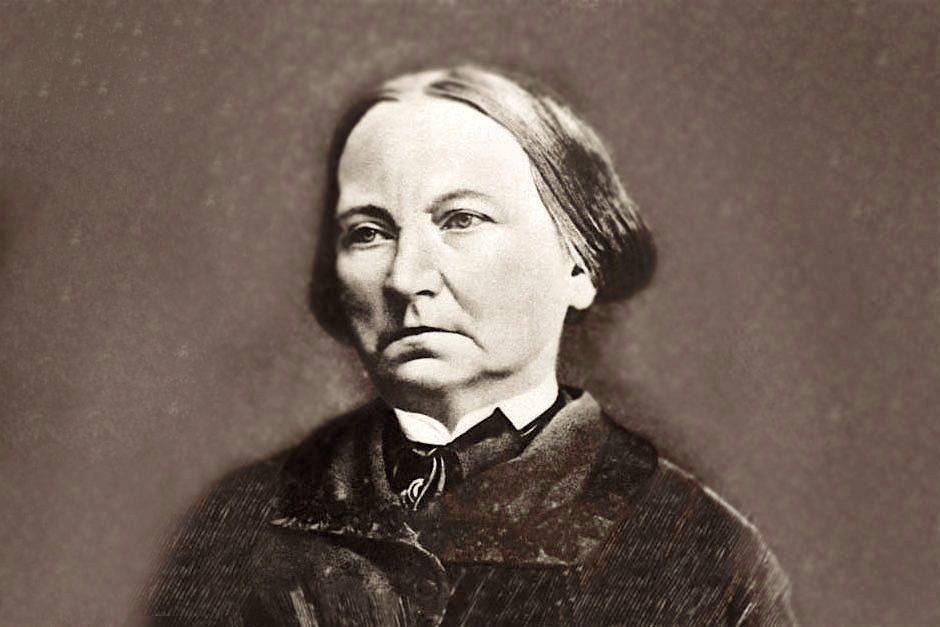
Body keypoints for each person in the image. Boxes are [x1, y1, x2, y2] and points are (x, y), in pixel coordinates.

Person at [147, 65, 795, 625]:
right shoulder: (239, 523)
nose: (405, 278)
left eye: (461, 219)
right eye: (369, 232)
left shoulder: (698, 552)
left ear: (580, 263)